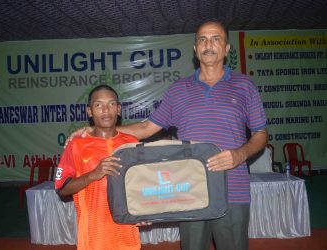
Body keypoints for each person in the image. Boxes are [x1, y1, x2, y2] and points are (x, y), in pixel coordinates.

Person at [70, 19, 268, 250]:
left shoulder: (244, 85)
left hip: (233, 189)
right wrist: (99, 129)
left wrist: (240, 154)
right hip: (189, 192)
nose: (208, 45)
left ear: (226, 49)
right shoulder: (178, 90)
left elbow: (261, 133)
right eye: (202, 39)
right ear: (195, 49)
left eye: (216, 39)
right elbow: (145, 129)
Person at [55, 85, 141, 250]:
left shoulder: (132, 143)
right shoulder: (76, 145)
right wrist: (94, 174)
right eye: (98, 105)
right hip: (94, 238)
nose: (106, 110)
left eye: (111, 104)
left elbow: (140, 186)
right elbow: (61, 189)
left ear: (118, 109)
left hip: (127, 235)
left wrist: (144, 212)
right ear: (89, 111)